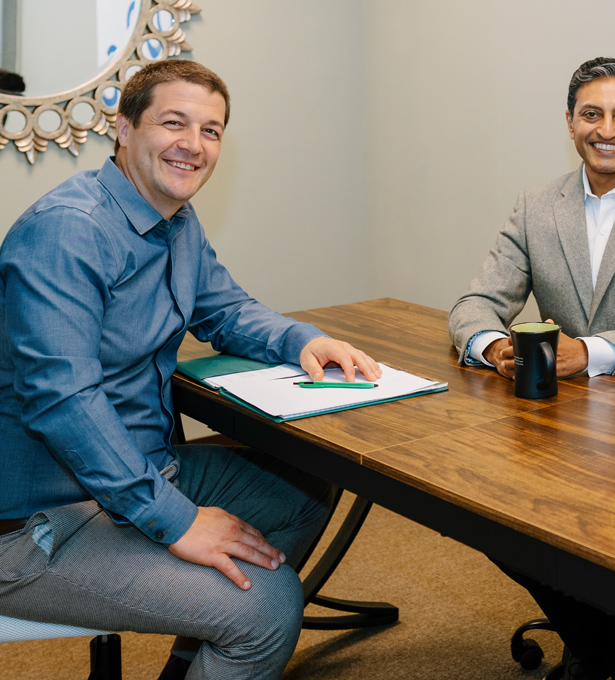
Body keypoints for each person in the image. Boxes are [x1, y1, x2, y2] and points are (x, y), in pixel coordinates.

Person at [0, 59, 382, 680]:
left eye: (211, 130)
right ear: (123, 129)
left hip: (137, 467)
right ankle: (232, 635)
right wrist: (175, 521)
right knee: (267, 606)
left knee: (305, 481)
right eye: (174, 123)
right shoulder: (68, 232)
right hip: (39, 518)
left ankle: (196, 660)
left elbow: (225, 309)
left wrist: (305, 340)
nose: (193, 145)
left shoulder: (173, 219)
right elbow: (63, 401)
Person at [449, 57, 615, 679]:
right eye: (592, 114)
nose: (608, 129)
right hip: (553, 436)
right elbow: (474, 304)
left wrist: (590, 353)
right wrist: (493, 346)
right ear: (570, 123)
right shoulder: (535, 206)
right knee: (490, 519)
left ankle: (601, 654)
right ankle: (608, 649)